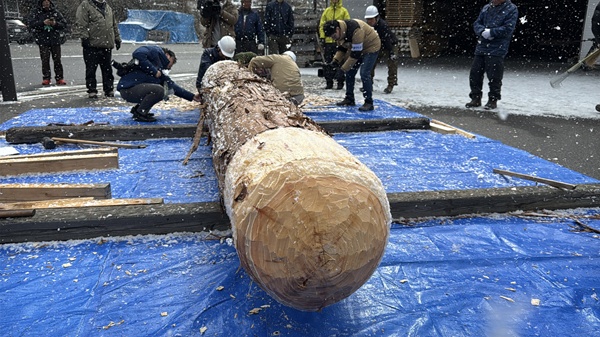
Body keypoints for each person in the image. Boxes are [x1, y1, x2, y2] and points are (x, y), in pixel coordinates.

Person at [117, 46, 201, 122]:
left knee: (163, 90)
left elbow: (172, 87)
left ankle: (139, 109)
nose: (169, 68)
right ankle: (140, 113)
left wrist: (192, 96)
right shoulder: (156, 51)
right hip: (129, 89)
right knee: (159, 90)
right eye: (170, 64)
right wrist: (154, 71)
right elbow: (138, 54)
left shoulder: (160, 69)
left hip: (134, 89)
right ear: (167, 55)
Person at [465, 0, 518, 110]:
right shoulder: (487, 7)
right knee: (475, 73)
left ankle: (493, 100)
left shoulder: (511, 9)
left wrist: (492, 32)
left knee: (494, 75)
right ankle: (475, 98)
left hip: (498, 47)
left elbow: (508, 28)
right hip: (482, 45)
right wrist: (482, 31)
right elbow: (477, 23)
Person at [323, 19, 381, 112]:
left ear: (337, 29)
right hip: (356, 47)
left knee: (364, 73)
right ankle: (349, 98)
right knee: (350, 72)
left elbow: (355, 55)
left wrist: (342, 70)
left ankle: (369, 102)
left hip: (371, 47)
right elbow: (342, 48)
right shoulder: (340, 32)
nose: (334, 39)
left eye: (334, 36)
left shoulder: (356, 30)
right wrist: (335, 62)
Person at [73, 0, 121, 99]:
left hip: (106, 44)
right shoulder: (85, 5)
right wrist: (84, 37)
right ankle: (92, 90)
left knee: (107, 69)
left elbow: (113, 24)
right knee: (91, 68)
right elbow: (81, 23)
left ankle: (109, 89)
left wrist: (117, 38)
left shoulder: (107, 6)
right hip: (92, 44)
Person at [27, 0, 68, 86]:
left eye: (47, 2)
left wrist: (55, 23)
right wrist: (42, 23)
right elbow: (31, 24)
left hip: (55, 40)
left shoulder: (55, 12)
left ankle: (59, 78)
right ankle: (46, 78)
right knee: (45, 60)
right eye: (44, 2)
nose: (46, 4)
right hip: (43, 40)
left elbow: (64, 24)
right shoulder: (36, 12)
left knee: (57, 60)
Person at [364, 5, 399, 94]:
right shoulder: (367, 27)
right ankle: (368, 84)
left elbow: (387, 40)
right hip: (377, 45)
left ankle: (391, 84)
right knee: (370, 63)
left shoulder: (383, 26)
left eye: (371, 19)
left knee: (392, 64)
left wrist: (391, 53)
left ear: (376, 18)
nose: (369, 21)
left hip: (390, 45)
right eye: (368, 19)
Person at [318, 0, 349, 90]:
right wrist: (323, 36)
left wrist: (344, 38)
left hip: (339, 41)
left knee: (339, 61)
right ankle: (329, 81)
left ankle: (340, 81)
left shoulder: (344, 11)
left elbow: (346, 24)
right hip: (328, 42)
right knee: (328, 62)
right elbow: (322, 24)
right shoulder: (327, 11)